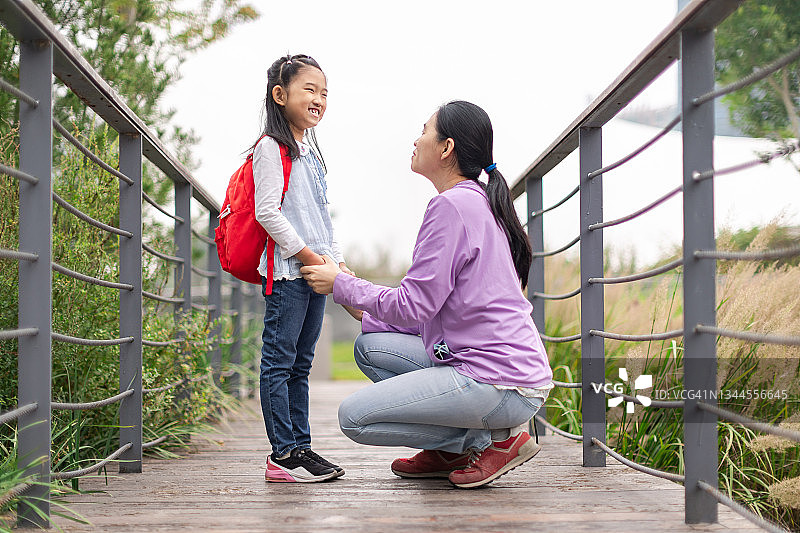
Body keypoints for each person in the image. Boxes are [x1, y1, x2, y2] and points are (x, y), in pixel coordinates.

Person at [301, 100, 554, 489]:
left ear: (446, 147)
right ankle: (451, 452)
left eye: (424, 131)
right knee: (369, 346)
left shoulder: (451, 206)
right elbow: (429, 307)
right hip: (504, 372)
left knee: (353, 418)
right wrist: (360, 306)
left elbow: (413, 305)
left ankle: (484, 443)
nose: (416, 140)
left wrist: (341, 283)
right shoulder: (477, 199)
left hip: (499, 382)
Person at [252, 53, 352, 483]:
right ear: (280, 95)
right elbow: (267, 213)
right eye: (309, 90)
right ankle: (283, 453)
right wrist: (311, 257)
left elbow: (321, 217)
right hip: (289, 274)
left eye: (324, 93)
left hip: (316, 274)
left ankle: (301, 447)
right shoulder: (270, 148)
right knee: (279, 362)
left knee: (301, 365)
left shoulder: (311, 154)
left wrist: (337, 262)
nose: (319, 99)